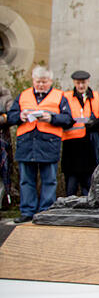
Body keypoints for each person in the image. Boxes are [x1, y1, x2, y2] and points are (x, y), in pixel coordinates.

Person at [6, 66, 74, 223]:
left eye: (44, 82)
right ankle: (27, 211)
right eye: (38, 81)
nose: (41, 85)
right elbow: (11, 117)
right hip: (26, 144)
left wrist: (51, 118)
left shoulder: (60, 97)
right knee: (26, 180)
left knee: (49, 180)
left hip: (48, 144)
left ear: (50, 81)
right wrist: (20, 116)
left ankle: (46, 211)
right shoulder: (23, 95)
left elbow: (68, 119)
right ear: (33, 80)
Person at [61, 70, 99, 197]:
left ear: (88, 82)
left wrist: (94, 123)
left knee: (90, 178)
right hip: (71, 144)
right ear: (74, 82)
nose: (81, 86)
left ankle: (91, 205)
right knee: (71, 181)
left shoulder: (96, 97)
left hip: (90, 142)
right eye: (78, 83)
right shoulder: (66, 97)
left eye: (83, 83)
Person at [0, 82, 16, 208]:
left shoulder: (5, 96)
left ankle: (3, 201)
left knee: (3, 173)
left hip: (2, 141)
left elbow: (11, 117)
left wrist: (2, 118)